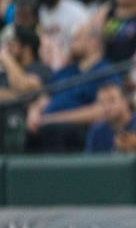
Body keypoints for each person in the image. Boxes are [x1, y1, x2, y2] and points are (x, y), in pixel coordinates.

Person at [25, 23, 121, 152]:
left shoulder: (106, 71)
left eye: (77, 39)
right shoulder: (66, 71)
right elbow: (45, 97)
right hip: (46, 124)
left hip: (77, 130)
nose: (72, 44)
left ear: (94, 42)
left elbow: (102, 111)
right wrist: (34, 112)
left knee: (54, 131)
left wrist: (52, 119)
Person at [85, 82, 136, 152]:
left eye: (112, 101)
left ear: (125, 101)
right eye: (102, 102)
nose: (107, 107)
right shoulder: (96, 131)